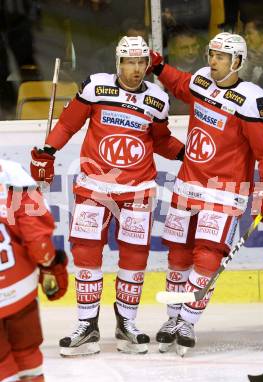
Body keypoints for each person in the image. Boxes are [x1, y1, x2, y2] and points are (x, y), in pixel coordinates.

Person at [30, 36, 184, 356]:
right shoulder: (96, 88)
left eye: (142, 62)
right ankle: (87, 326)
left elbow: (163, 142)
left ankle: (126, 323)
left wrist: (191, 155)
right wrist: (47, 151)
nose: (136, 69)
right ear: (118, 62)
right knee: (86, 252)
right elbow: (68, 125)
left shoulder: (157, 99)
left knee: (134, 256)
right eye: (129, 62)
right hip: (95, 186)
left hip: (138, 188)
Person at [149, 31, 263, 356]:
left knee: (207, 257)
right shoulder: (201, 81)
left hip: (225, 193)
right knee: (179, 256)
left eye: (220, 57)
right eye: (211, 54)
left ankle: (188, 322)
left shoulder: (251, 100)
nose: (213, 61)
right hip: (187, 185)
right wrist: (159, 67)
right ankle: (172, 318)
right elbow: (181, 83)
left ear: (237, 61)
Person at [0, 159, 68, 382]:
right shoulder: (12, 175)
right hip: (18, 289)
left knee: (2, 367)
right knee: (28, 354)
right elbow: (37, 240)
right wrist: (50, 265)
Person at [167, 25, 205, 115]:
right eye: (185, 48)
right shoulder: (162, 73)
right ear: (172, 49)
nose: (191, 51)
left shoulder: (207, 71)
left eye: (194, 46)